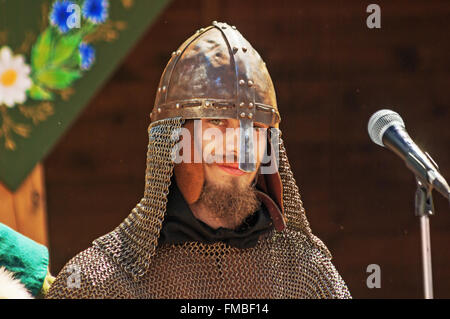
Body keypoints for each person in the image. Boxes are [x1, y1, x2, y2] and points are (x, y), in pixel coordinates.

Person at [46, 21, 351, 299]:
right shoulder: (100, 281)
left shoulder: (306, 274)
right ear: (176, 136)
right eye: (218, 122)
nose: (239, 147)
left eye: (256, 128)